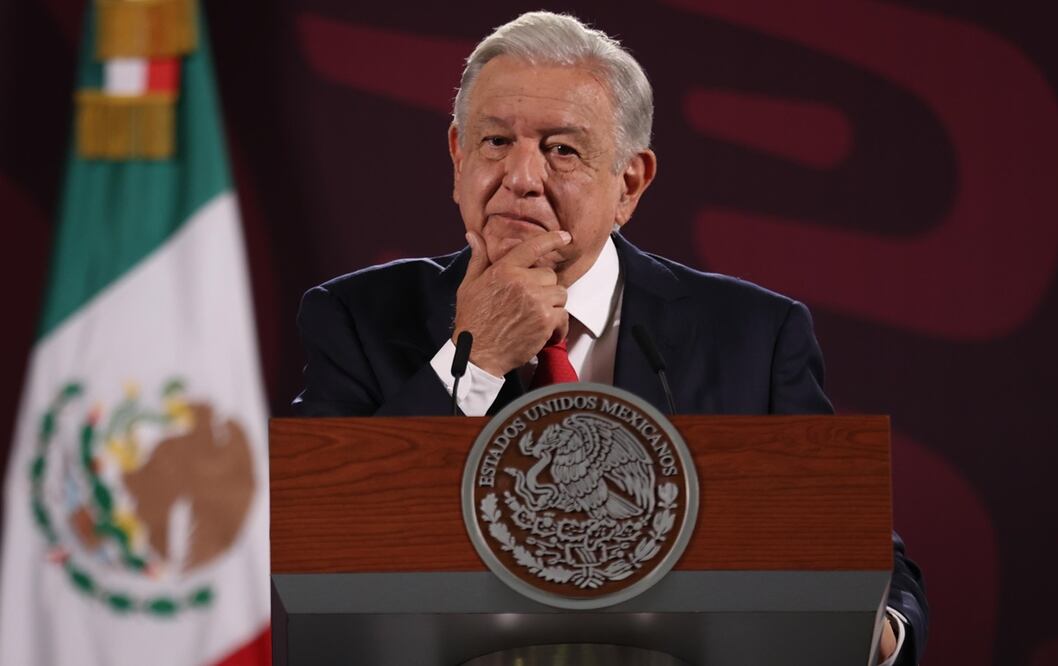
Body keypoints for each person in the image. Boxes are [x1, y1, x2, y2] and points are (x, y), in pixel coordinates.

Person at [293, 11, 928, 664]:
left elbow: (866, 561)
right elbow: (317, 542)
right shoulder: (356, 317)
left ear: (629, 183)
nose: (520, 176)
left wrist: (872, 632)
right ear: (457, 157)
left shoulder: (751, 335)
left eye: (560, 149)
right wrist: (476, 358)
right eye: (493, 142)